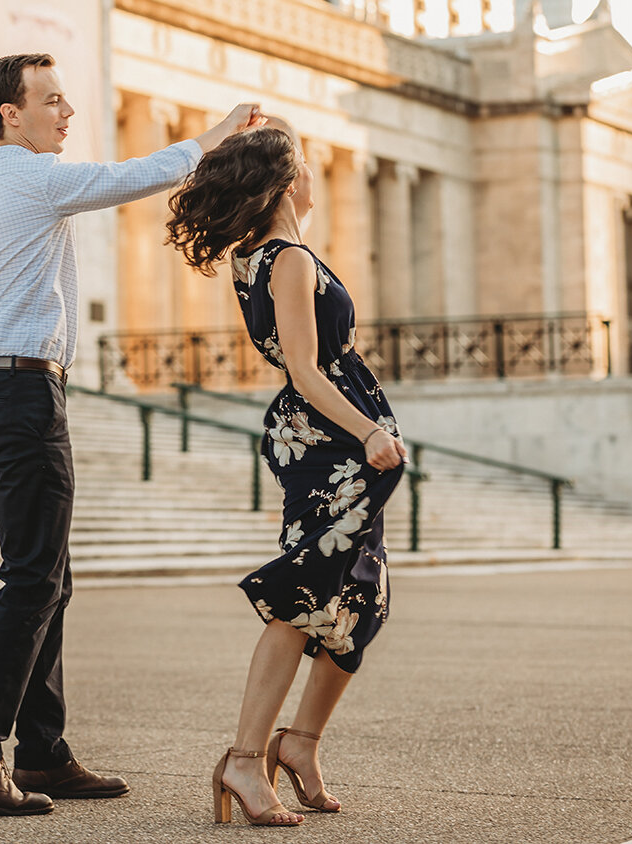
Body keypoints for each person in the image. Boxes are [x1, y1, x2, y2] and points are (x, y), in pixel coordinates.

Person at [0, 50, 263, 817]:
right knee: (33, 579)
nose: (65, 112)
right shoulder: (36, 181)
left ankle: (42, 753)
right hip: (20, 393)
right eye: (50, 100)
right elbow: (137, 176)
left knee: (47, 576)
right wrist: (216, 133)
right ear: (10, 114)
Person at [167, 117, 408, 828]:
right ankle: (246, 757)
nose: (313, 177)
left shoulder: (261, 258)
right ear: (286, 182)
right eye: (303, 166)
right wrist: (367, 429)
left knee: (361, 599)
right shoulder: (289, 261)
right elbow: (304, 369)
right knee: (305, 593)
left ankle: (297, 744)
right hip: (330, 444)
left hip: (332, 439)